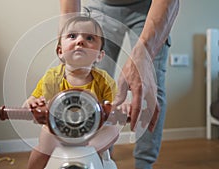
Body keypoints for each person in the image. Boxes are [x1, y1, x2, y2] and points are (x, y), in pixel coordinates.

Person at [59, 0, 180, 169]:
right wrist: (67, 40)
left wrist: (143, 55)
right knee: (90, 83)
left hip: (149, 7)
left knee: (149, 86)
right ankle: (100, 156)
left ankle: (144, 164)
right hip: (101, 6)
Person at [24, 15, 120, 169]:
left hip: (93, 133)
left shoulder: (104, 81)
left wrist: (123, 109)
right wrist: (31, 104)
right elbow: (31, 102)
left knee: (113, 130)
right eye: (72, 36)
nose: (80, 41)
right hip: (57, 132)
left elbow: (116, 106)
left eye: (89, 38)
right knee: (44, 145)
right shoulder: (52, 78)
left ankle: (88, 153)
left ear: (100, 55)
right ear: (60, 51)